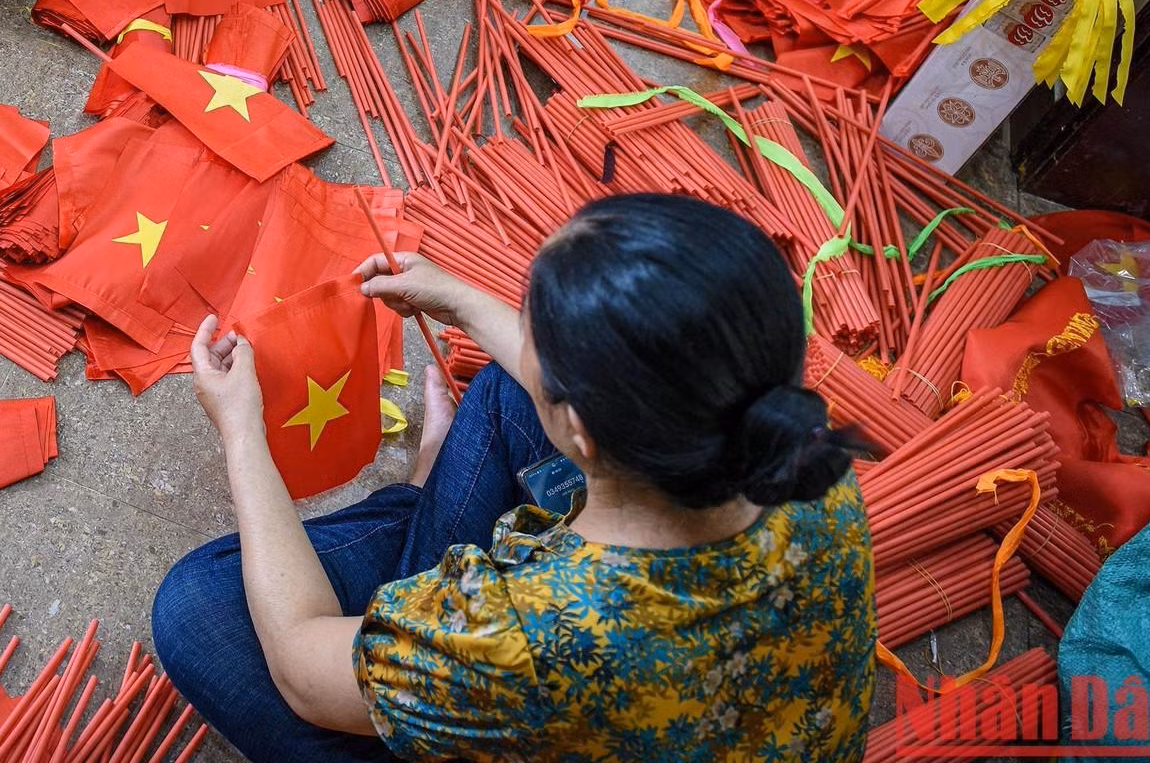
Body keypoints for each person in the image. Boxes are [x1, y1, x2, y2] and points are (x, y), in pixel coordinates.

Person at [152, 193, 877, 761]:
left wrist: (243, 430)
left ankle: (414, 532)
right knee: (507, 388)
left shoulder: (533, 635)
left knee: (197, 607)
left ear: (583, 432)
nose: (524, 337)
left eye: (539, 336)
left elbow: (301, 671)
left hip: (542, 675)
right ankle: (416, 561)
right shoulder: (803, 459)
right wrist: (464, 303)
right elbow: (578, 382)